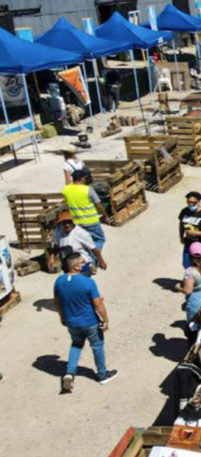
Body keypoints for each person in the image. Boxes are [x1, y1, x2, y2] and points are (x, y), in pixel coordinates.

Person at [54, 253, 116, 393]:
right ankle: (102, 374)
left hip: (71, 322)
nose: (86, 263)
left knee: (76, 345)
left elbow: (57, 303)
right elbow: (98, 304)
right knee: (97, 346)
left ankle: (70, 373)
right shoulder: (87, 282)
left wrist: (62, 318)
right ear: (76, 266)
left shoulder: (59, 281)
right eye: (83, 262)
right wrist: (105, 320)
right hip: (89, 322)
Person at [62, 168, 108, 252]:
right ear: (81, 178)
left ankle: (89, 254)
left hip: (77, 222)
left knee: (85, 241)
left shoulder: (66, 190)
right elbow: (99, 205)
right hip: (91, 221)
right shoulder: (88, 189)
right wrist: (105, 215)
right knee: (100, 239)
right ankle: (94, 257)